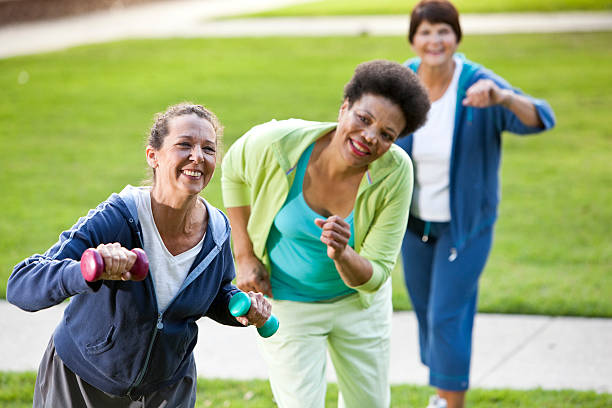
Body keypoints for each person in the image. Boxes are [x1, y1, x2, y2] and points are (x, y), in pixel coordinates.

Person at [7, 103, 272, 408]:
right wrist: (87, 269)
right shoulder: (118, 217)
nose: (198, 156)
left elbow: (215, 294)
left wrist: (242, 308)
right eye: (184, 144)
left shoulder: (217, 232)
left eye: (208, 149)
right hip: (82, 382)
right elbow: (21, 285)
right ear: (153, 156)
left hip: (167, 389)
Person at [221, 60, 430, 408]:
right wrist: (243, 256)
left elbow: (376, 274)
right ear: (344, 106)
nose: (370, 137)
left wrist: (343, 253)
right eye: (364, 119)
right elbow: (232, 171)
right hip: (287, 304)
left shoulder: (396, 173)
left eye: (387, 135)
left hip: (358, 308)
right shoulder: (278, 144)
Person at [395, 1, 556, 407]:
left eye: (443, 31)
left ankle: (451, 401)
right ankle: (442, 392)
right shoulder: (402, 82)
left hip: (466, 227)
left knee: (447, 315)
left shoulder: (477, 82)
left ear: (457, 36)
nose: (435, 40)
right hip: (414, 226)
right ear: (413, 39)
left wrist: (502, 98)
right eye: (426, 31)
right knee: (427, 315)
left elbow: (541, 118)